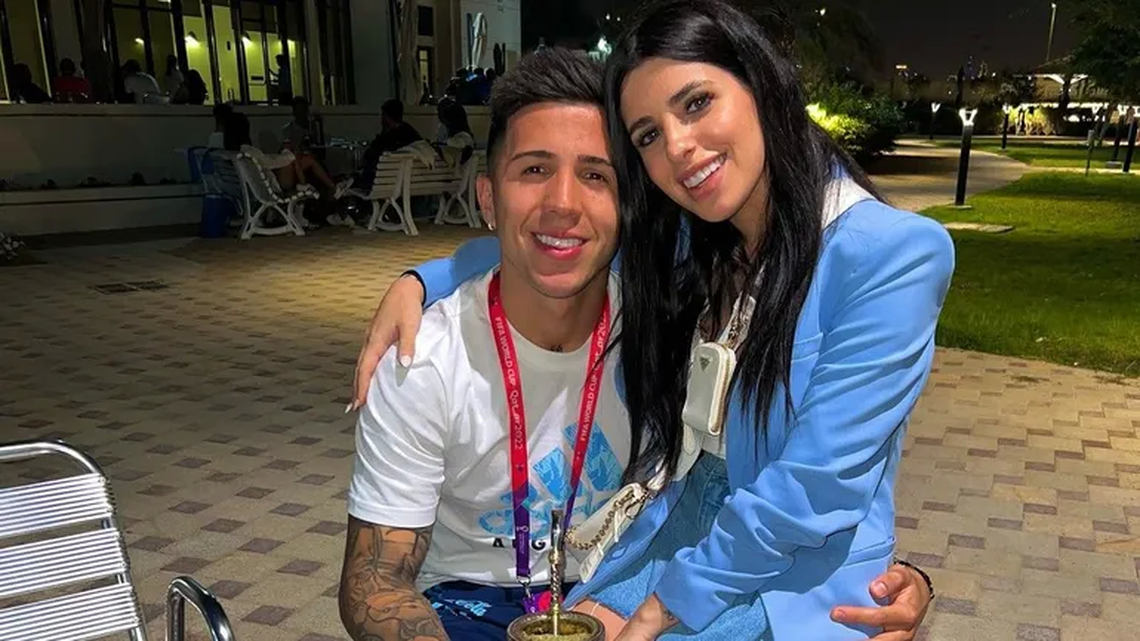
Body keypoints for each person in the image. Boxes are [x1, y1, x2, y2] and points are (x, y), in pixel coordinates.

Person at [341, 46, 936, 641]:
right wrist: (427, 278)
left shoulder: (664, 308)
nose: (563, 204)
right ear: (489, 197)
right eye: (534, 170)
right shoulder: (422, 359)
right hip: (472, 604)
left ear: (629, 205)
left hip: (623, 575)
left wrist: (886, 576)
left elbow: (805, 475)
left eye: (596, 175)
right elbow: (374, 581)